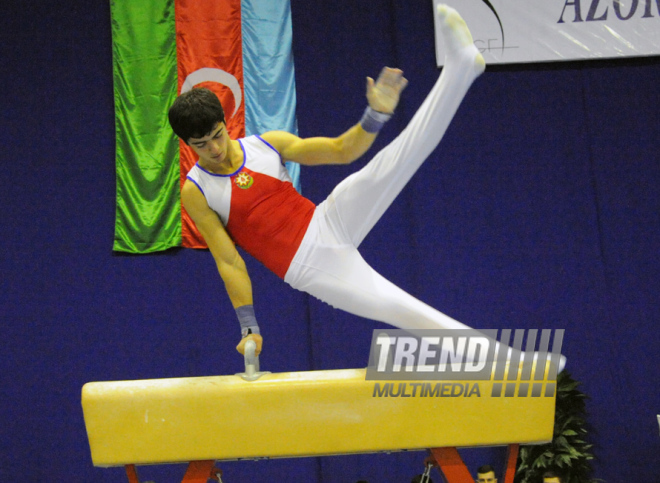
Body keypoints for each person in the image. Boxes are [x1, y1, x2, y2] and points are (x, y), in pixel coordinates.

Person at [168, 5, 485, 355]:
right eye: (201, 144)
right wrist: (249, 326)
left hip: (327, 219)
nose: (213, 148)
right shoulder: (196, 191)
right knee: (401, 308)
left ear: (225, 122)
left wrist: (376, 113)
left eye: (217, 135)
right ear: (187, 144)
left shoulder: (267, 144)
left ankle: (460, 68)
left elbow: (341, 150)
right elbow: (229, 261)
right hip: (313, 266)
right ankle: (509, 363)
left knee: (397, 158)